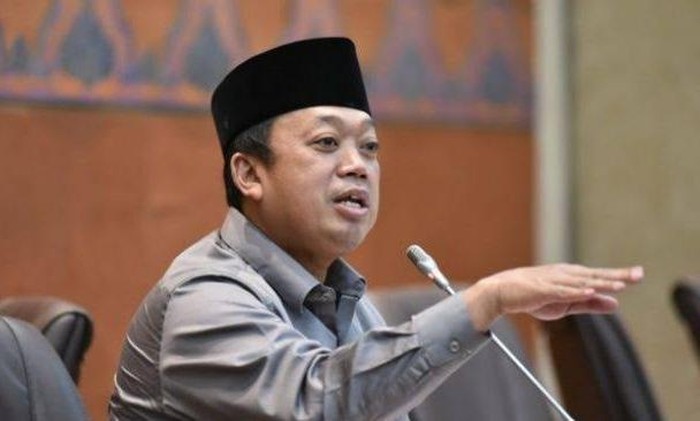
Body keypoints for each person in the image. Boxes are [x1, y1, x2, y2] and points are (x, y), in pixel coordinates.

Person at [109, 37, 643, 420]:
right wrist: (486, 300)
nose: (357, 166)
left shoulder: (348, 300)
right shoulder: (203, 297)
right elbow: (315, 403)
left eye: (369, 147)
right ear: (249, 174)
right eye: (326, 143)